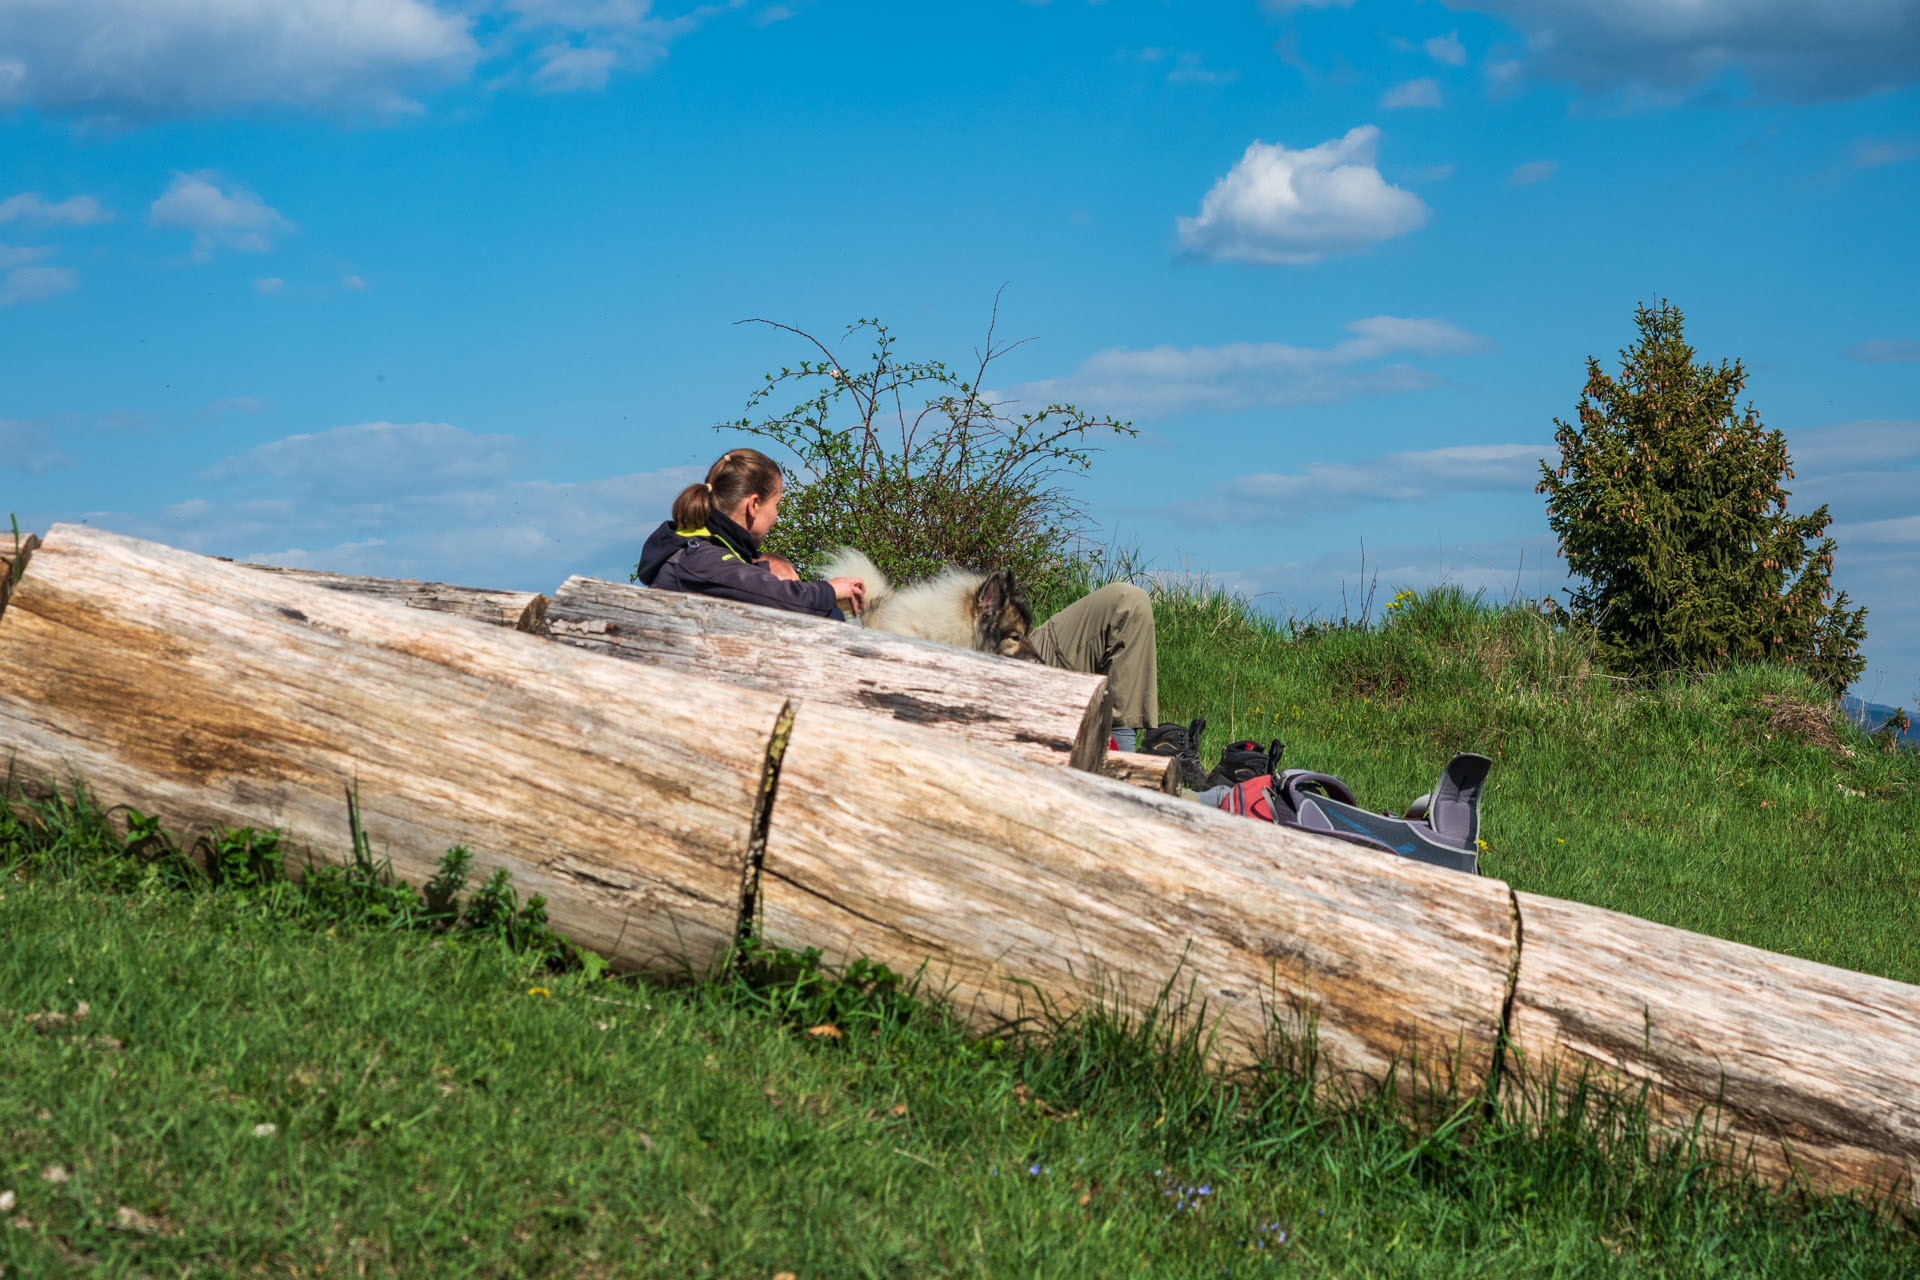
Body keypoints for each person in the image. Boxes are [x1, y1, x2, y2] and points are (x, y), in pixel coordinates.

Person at [633, 449, 865, 617]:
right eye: (776, 504)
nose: (776, 515)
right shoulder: (699, 559)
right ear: (754, 505)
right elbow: (776, 595)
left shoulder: (703, 556)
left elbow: (742, 581)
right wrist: (829, 590)